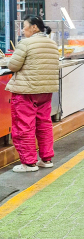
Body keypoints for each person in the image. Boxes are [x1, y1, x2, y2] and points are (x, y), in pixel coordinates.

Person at [7, 16, 59, 172]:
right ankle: (46, 159)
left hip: (26, 91)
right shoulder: (52, 43)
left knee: (24, 126)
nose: (23, 30)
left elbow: (13, 65)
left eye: (25, 26)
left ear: (35, 27)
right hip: (45, 91)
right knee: (44, 124)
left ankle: (29, 163)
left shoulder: (26, 44)